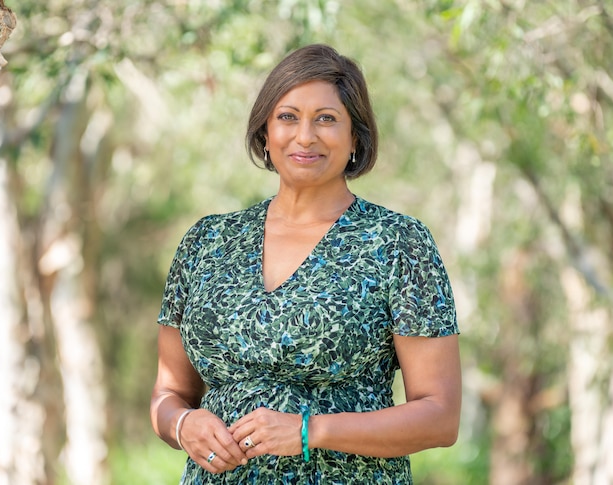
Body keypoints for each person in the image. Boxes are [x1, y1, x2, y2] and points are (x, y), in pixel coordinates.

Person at [150, 43, 461, 484]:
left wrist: (309, 430)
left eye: (327, 119)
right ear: (265, 132)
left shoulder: (398, 243)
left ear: (356, 137)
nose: (305, 136)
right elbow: (170, 393)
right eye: (288, 116)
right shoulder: (207, 241)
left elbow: (440, 417)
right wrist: (183, 426)